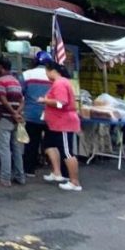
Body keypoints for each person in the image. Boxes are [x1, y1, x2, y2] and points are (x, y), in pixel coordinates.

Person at [39, 60, 82, 192]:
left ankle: (74, 182)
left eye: (46, 71)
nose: (46, 74)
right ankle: (57, 173)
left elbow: (61, 103)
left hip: (64, 122)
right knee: (49, 145)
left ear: (51, 70)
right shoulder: (59, 82)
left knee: (67, 152)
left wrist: (45, 101)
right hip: (55, 123)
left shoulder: (60, 83)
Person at [0, 57, 25, 188]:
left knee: (4, 149)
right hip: (15, 120)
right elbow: (23, 100)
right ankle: (20, 176)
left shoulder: (1, 81)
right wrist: (17, 113)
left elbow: (3, 99)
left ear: (0, 67)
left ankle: (5, 179)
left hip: (4, 118)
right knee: (16, 149)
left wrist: (12, 112)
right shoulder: (16, 82)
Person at [22, 51, 52, 177]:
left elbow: (20, 93)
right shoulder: (52, 76)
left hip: (31, 114)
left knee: (31, 143)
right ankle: (54, 169)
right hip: (49, 115)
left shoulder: (26, 74)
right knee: (51, 143)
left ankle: (29, 170)